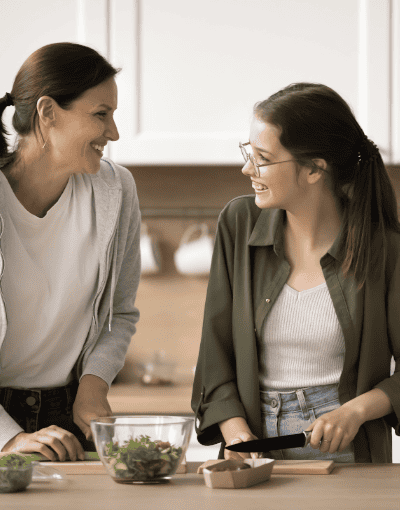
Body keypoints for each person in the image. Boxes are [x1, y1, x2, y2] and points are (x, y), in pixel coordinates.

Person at [191, 83, 400, 464]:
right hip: (251, 441)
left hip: (343, 447)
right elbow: (214, 354)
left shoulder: (385, 250)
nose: (246, 168)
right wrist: (236, 433)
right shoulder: (238, 224)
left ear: (314, 169)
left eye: (263, 158)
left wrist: (354, 411)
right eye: (248, 153)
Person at [0, 42, 141, 461]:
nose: (113, 133)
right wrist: (7, 438)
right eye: (101, 114)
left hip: (68, 419)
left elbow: (119, 312)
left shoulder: (115, 192)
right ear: (48, 112)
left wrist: (93, 388)